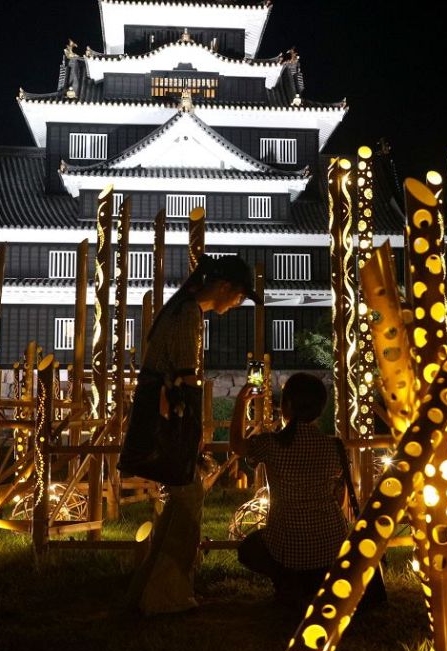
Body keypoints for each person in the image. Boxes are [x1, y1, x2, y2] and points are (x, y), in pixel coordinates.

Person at [121, 254, 259, 615]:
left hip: (166, 411)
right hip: (171, 415)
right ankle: (166, 595)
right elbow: (184, 378)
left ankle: (152, 590)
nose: (238, 303)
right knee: (188, 500)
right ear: (225, 287)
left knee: (183, 501)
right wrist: (190, 429)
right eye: (240, 295)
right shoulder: (188, 315)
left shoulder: (182, 309)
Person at [229, 373, 348, 604]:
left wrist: (241, 404)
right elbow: (340, 497)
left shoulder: (272, 444)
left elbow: (236, 444)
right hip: (331, 544)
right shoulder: (334, 447)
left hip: (287, 546)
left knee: (248, 550)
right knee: (307, 554)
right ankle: (313, 583)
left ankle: (288, 581)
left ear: (288, 406)